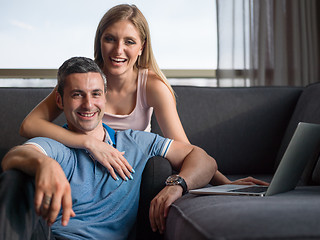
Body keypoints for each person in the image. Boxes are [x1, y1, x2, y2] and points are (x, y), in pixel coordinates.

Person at [19, 5, 264, 187]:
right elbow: (29, 125)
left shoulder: (153, 87)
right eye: (110, 39)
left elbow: (185, 147)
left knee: (159, 166)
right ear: (100, 41)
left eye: (129, 41)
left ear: (141, 47)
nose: (118, 50)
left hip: (129, 176)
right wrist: (90, 142)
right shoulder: (85, 80)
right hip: (81, 170)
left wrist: (225, 184)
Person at [1, 57, 217, 240]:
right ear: (60, 100)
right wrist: (44, 164)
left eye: (95, 94)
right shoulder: (56, 146)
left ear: (105, 97)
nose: (88, 104)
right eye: (77, 94)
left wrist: (177, 185)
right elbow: (14, 156)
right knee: (14, 179)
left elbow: (202, 158)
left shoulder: (135, 142)